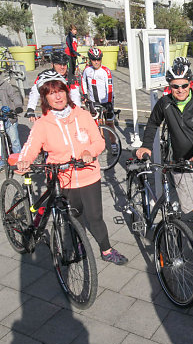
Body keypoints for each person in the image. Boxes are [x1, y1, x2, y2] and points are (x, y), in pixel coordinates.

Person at [16, 71, 128, 265]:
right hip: (62, 178)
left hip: (89, 175)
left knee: (95, 217)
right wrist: (24, 160)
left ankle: (107, 250)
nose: (58, 96)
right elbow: (31, 146)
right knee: (73, 217)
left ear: (67, 92)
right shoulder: (42, 123)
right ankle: (79, 245)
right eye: (51, 93)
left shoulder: (82, 115)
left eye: (60, 91)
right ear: (45, 97)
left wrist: (89, 152)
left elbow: (99, 142)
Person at [136, 62, 193, 242]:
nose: (180, 89)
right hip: (180, 162)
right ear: (170, 86)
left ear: (190, 83)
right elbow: (152, 124)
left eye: (184, 85)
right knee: (189, 203)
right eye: (175, 86)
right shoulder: (165, 103)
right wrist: (146, 145)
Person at [82, 47, 118, 155]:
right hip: (93, 101)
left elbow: (110, 87)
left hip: (106, 101)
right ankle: (100, 144)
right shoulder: (87, 70)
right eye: (94, 59)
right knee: (96, 124)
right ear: (90, 59)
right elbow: (83, 81)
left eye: (98, 59)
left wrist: (109, 103)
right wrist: (84, 95)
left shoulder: (105, 71)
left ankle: (113, 143)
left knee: (109, 123)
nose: (96, 62)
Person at [26, 51, 82, 121]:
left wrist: (77, 111)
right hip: (49, 112)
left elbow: (75, 96)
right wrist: (31, 109)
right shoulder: (44, 76)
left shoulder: (71, 78)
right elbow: (34, 93)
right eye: (59, 64)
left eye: (64, 64)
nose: (62, 67)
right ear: (52, 65)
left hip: (66, 112)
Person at [0, 79, 23, 167]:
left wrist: (18, 106)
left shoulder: (6, 86)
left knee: (15, 141)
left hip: (9, 118)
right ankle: (1, 162)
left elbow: (15, 96)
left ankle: (19, 161)